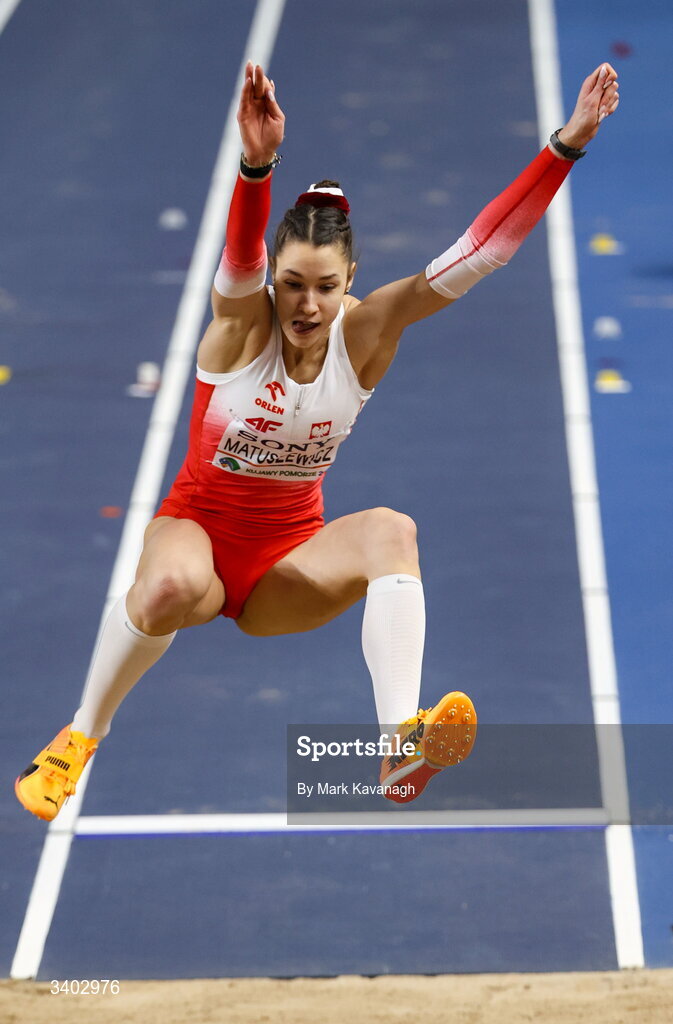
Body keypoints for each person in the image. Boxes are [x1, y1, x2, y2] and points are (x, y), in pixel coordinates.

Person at [15, 59, 619, 820]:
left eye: (325, 286)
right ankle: (76, 740)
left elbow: (481, 253)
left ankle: (398, 741)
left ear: (349, 279)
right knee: (165, 588)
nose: (307, 303)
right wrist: (257, 165)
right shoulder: (240, 327)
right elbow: (237, 258)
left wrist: (564, 145)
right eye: (292, 282)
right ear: (273, 277)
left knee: (391, 532)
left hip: (285, 566)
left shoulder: (366, 335)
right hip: (197, 537)